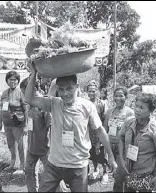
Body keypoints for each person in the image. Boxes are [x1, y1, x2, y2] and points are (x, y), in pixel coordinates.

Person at [25, 62, 117, 192]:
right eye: (61, 89)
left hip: (78, 166)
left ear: (77, 87)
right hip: (54, 165)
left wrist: (111, 157)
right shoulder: (54, 103)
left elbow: (100, 131)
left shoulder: (87, 106)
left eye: (69, 88)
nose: (65, 93)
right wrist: (34, 74)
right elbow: (29, 98)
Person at [119, 93, 156, 192]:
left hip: (145, 176)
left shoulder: (155, 130)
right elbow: (121, 138)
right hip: (129, 171)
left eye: (141, 108)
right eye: (136, 106)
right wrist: (122, 159)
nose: (137, 109)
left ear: (150, 111)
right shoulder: (129, 122)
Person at [20, 77, 51, 192]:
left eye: (25, 92)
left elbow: (51, 127)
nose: (24, 96)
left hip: (46, 149)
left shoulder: (45, 105)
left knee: (53, 176)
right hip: (31, 148)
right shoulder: (29, 105)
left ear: (33, 90)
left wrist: (51, 148)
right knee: (29, 172)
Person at [103, 86, 134, 190]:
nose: (118, 98)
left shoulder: (130, 112)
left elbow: (132, 132)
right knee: (115, 172)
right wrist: (100, 142)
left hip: (123, 147)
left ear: (126, 97)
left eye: (121, 95)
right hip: (110, 145)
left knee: (122, 172)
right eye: (116, 96)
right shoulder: (109, 112)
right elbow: (105, 128)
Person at [0, 70, 28, 175]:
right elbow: (2, 108)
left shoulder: (20, 92)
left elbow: (26, 109)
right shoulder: (4, 93)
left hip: (18, 122)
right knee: (11, 144)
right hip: (7, 123)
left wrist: (26, 125)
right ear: (7, 80)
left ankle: (22, 166)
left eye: (15, 80)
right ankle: (13, 163)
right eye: (10, 80)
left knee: (20, 145)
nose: (13, 82)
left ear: (18, 81)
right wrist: (0, 122)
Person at [86, 80, 108, 183]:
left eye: (93, 91)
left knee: (102, 155)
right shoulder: (85, 103)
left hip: (99, 134)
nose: (91, 93)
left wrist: (100, 140)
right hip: (89, 135)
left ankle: (105, 172)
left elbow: (105, 121)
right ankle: (95, 169)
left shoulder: (101, 104)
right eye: (89, 91)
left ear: (97, 91)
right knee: (92, 155)